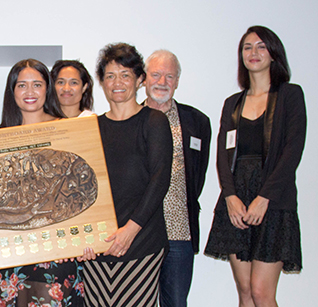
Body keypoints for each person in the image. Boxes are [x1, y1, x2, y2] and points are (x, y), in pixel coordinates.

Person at [0, 59, 84, 306]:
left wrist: (84, 238)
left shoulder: (69, 131)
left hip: (55, 255)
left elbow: (80, 193)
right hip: (7, 255)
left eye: (37, 85)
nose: (30, 92)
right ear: (12, 91)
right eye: (22, 86)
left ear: (47, 89)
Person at [205, 26, 306, 307]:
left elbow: (292, 151)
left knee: (262, 292)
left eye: (261, 46)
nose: (254, 53)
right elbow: (223, 156)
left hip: (273, 199)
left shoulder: (290, 96)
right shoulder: (232, 104)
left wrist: (265, 198)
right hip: (237, 200)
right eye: (247, 47)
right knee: (246, 291)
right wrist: (230, 196)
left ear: (274, 54)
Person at [80, 43, 173, 307]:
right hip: (99, 248)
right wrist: (82, 239)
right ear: (102, 82)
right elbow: (81, 188)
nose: (117, 82)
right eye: (110, 76)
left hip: (142, 243)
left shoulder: (153, 121)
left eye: (125, 75)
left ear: (139, 80)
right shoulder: (92, 127)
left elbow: (159, 180)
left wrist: (129, 232)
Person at [142, 49, 211, 307]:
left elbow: (198, 174)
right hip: (139, 234)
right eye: (156, 74)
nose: (162, 82)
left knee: (177, 303)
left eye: (169, 76)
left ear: (178, 81)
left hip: (179, 234)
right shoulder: (131, 119)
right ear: (144, 79)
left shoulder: (197, 122)